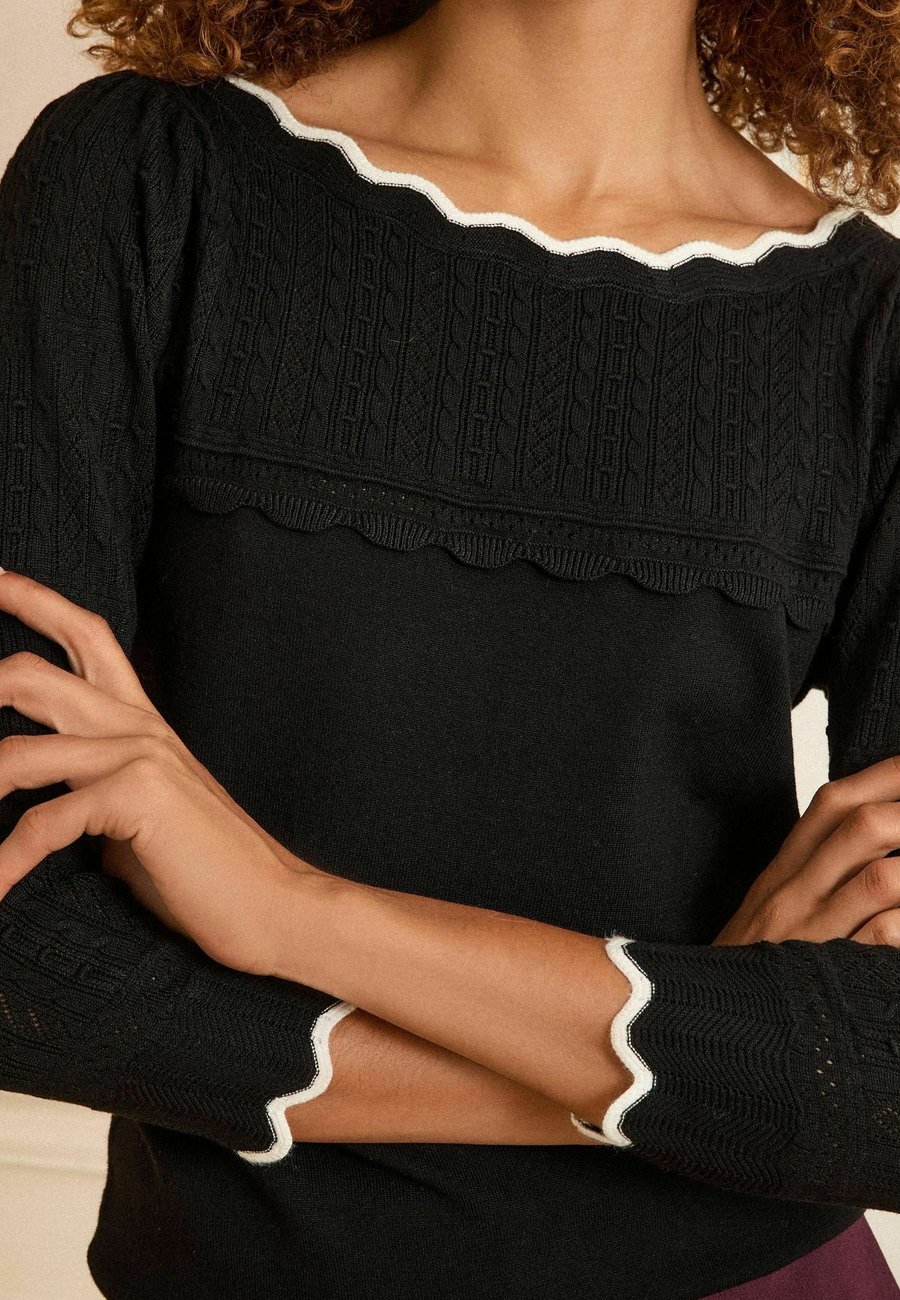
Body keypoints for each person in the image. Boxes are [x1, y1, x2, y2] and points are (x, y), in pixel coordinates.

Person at [2, 0, 900, 1295]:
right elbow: (24, 951)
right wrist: (700, 1049)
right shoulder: (144, 182)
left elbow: (882, 1082)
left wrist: (293, 912)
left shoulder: (873, 335)